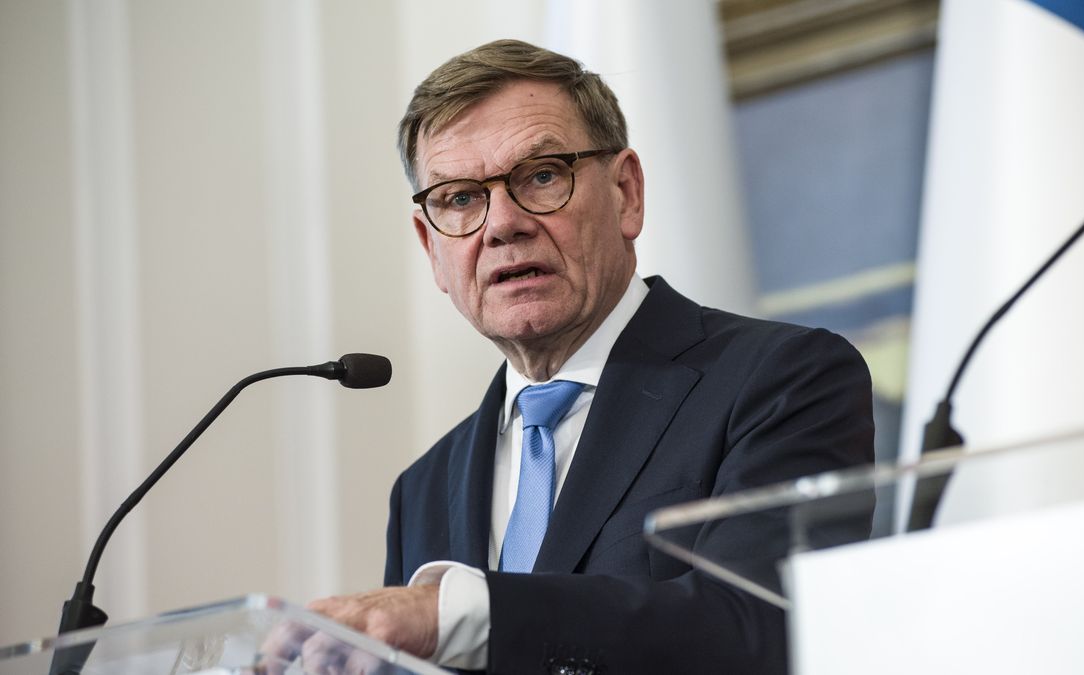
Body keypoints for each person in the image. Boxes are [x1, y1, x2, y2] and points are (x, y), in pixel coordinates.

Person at [306, 39, 875, 674]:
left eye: (542, 175)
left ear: (626, 193)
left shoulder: (781, 379)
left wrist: (464, 613)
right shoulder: (423, 488)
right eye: (460, 199)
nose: (502, 225)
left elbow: (766, 627)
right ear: (431, 246)